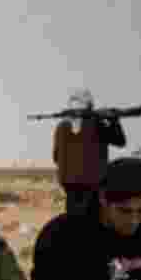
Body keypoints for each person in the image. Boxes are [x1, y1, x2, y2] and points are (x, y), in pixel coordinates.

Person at [53, 88, 127, 216]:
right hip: (93, 186)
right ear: (89, 106)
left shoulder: (61, 126)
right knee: (92, 223)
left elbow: (56, 156)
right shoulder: (96, 124)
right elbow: (120, 141)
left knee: (73, 221)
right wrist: (114, 120)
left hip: (69, 186)